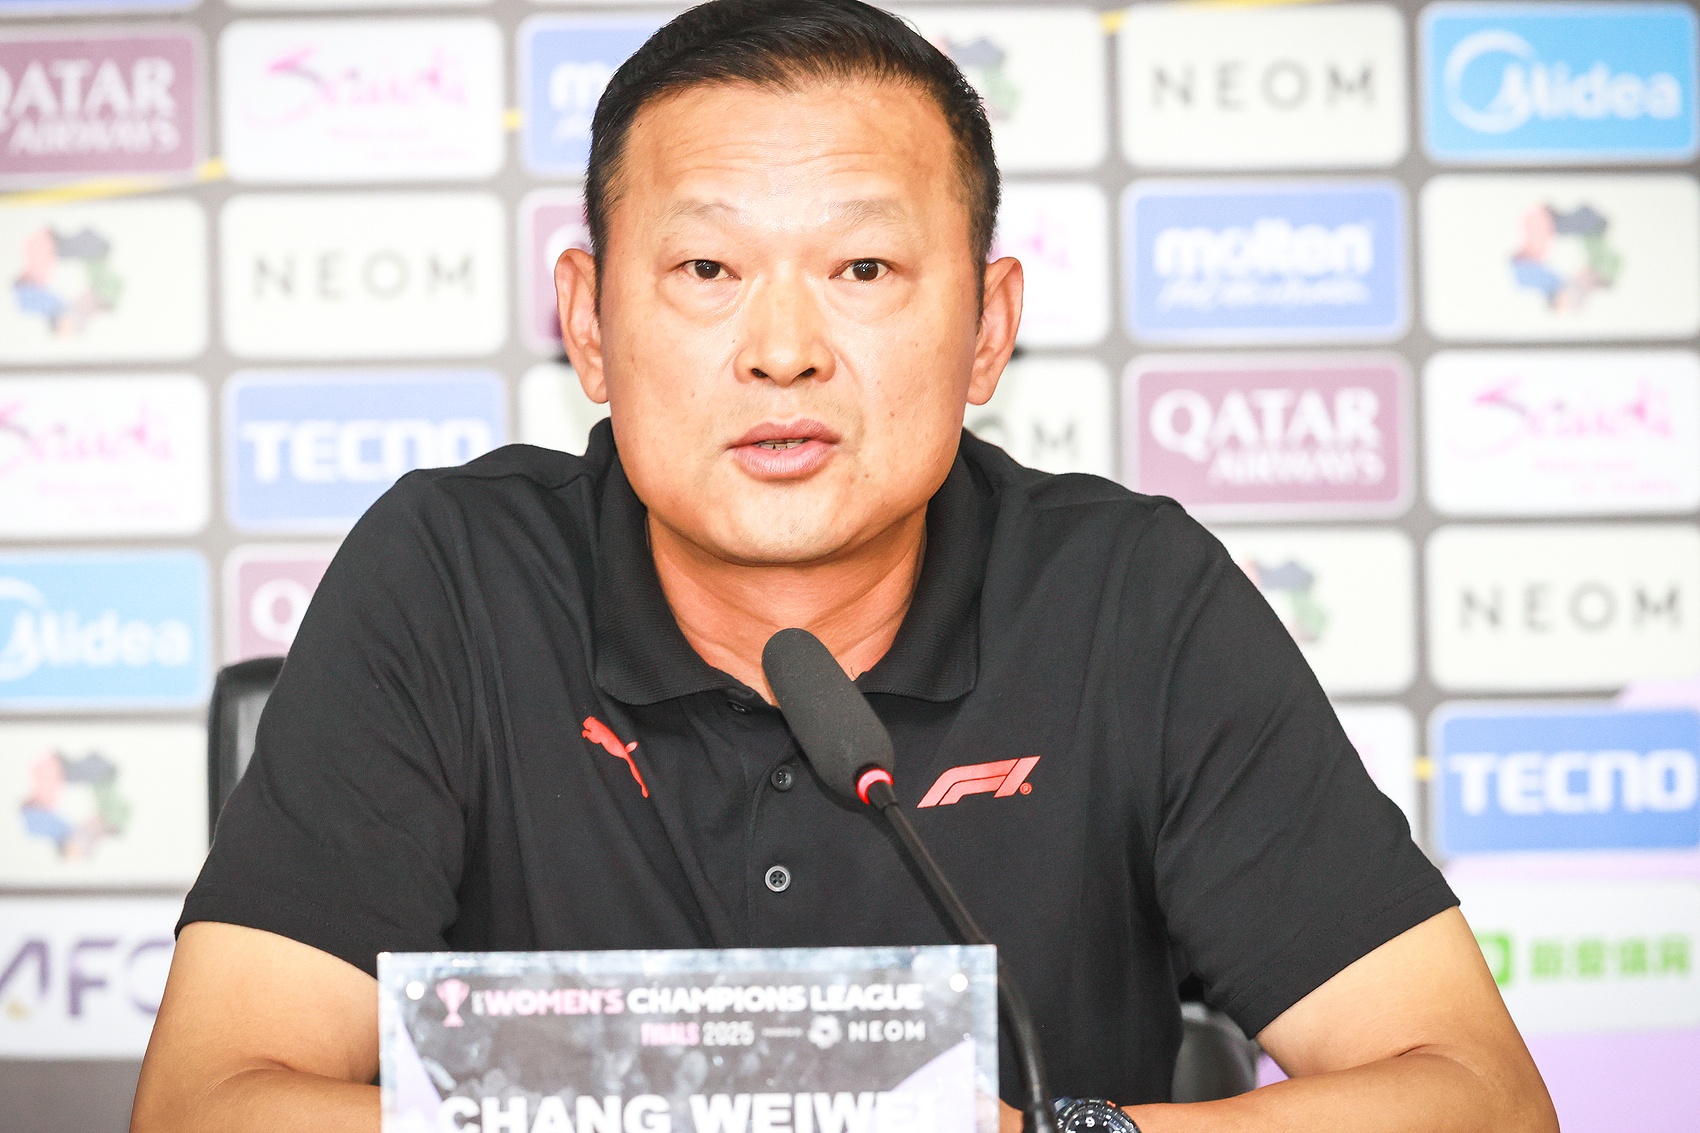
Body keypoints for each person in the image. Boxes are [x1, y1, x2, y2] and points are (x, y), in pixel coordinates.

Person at [132, 2, 1558, 1131]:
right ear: (588, 323)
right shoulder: (450, 579)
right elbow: (209, 1103)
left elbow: (1481, 1098)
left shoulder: (1133, 601)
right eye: (707, 271)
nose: (783, 350)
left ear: (988, 327)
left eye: (863, 271)